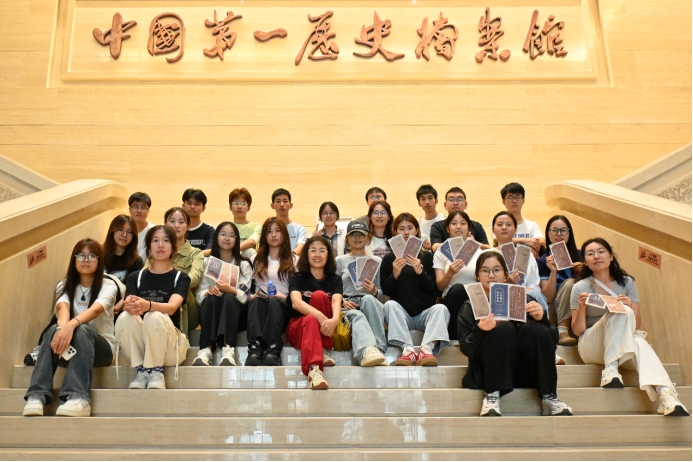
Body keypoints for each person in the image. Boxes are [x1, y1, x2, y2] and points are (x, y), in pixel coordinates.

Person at [570, 238, 689, 416]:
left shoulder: (626, 283)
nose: (596, 256)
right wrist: (581, 307)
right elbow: (578, 331)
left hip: (622, 344)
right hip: (592, 346)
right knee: (623, 316)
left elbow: (637, 323)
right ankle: (610, 368)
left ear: (611, 256)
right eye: (590, 253)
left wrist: (630, 307)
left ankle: (666, 394)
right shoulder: (580, 287)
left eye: (601, 252)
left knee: (638, 339)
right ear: (585, 261)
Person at [457, 251, 572, 417]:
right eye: (485, 271)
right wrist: (480, 331)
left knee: (536, 328)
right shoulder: (470, 306)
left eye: (496, 270)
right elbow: (466, 349)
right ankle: (492, 395)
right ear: (478, 276)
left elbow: (552, 340)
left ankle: (549, 396)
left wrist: (542, 319)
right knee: (503, 327)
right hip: (489, 372)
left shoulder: (523, 299)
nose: (491, 275)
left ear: (505, 275)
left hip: (523, 370)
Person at [23, 239, 117, 417]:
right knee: (53, 330)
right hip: (68, 351)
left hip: (102, 351)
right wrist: (61, 329)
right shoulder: (64, 284)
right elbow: (63, 309)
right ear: (74, 260)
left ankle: (78, 397)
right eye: (81, 255)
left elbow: (95, 310)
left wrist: (71, 325)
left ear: (99, 261)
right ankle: (36, 395)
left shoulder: (108, 285)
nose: (86, 260)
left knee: (82, 329)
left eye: (92, 256)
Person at [116, 225, 191, 390]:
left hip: (170, 349)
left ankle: (157, 372)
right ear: (149, 247)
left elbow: (171, 307)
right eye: (155, 241)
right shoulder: (135, 277)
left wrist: (148, 305)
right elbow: (129, 303)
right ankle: (141, 371)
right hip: (142, 346)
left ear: (173, 247)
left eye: (166, 241)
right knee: (125, 317)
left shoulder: (181, 277)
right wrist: (128, 305)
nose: (160, 245)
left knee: (154, 315)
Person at [381, 213, 449, 367]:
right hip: (402, 315)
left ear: (417, 230)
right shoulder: (389, 259)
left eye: (410, 228)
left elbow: (434, 289)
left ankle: (426, 349)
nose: (406, 232)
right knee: (389, 305)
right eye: (401, 228)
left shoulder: (427, 257)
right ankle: (408, 350)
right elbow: (387, 290)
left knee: (441, 309)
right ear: (395, 232)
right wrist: (395, 274)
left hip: (424, 314)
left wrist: (420, 272)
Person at [192, 222, 253, 366]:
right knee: (211, 298)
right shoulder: (207, 262)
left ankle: (228, 349)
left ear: (237, 240)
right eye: (223, 234)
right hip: (212, 310)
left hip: (236, 315)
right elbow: (199, 294)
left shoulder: (244, 264)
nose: (227, 238)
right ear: (216, 237)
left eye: (231, 235)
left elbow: (244, 297)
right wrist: (208, 292)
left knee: (228, 297)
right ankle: (205, 350)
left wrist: (231, 290)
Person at [287, 236, 343, 390]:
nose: (317, 254)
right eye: (313, 250)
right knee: (311, 319)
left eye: (322, 250)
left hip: (326, 331)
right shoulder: (296, 277)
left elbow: (336, 302)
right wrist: (320, 316)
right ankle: (314, 370)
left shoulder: (335, 279)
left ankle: (323, 350)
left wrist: (335, 320)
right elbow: (296, 303)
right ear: (306, 254)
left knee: (319, 296)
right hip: (298, 329)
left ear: (328, 255)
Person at [335, 221, 388, 367]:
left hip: (369, 302)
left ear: (368, 238)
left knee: (369, 299)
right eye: (353, 235)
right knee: (357, 312)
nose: (357, 238)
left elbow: (382, 293)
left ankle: (379, 350)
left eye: (361, 235)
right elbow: (332, 289)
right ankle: (367, 352)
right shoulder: (339, 261)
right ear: (347, 239)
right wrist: (342, 301)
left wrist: (374, 291)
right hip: (347, 303)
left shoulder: (377, 261)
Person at [247, 217, 298, 366]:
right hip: (261, 304)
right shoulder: (255, 259)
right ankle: (255, 348)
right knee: (256, 301)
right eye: (269, 231)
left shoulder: (294, 260)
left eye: (277, 231)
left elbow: (299, 290)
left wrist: (283, 297)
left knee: (274, 301)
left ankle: (273, 348)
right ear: (264, 235)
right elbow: (245, 286)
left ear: (284, 234)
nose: (273, 235)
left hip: (283, 305)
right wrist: (252, 296)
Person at [146, 207, 204, 334]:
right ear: (165, 224)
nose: (176, 225)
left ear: (188, 225)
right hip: (159, 299)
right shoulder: (156, 252)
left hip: (188, 309)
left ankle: (181, 338)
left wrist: (169, 284)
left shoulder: (196, 253)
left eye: (181, 222)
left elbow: (194, 278)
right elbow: (143, 276)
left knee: (182, 290)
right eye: (172, 221)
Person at [433, 211, 483, 340]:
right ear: (448, 228)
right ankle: (455, 338)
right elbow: (440, 286)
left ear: (469, 228)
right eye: (454, 223)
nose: (459, 227)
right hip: (452, 298)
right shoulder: (441, 252)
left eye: (463, 223)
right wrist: (450, 272)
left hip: (474, 298)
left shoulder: (479, 251)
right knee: (459, 289)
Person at [538, 215, 582, 346]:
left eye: (563, 230)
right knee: (569, 283)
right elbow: (548, 298)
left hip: (579, 308)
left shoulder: (581, 256)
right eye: (554, 230)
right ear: (548, 233)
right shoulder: (543, 261)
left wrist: (583, 273)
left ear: (569, 233)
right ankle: (562, 332)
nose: (559, 234)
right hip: (554, 310)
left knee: (573, 283)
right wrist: (553, 271)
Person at [103, 214, 144, 315]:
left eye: (129, 232)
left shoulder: (137, 261)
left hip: (120, 309)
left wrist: (118, 307)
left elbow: (133, 289)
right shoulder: (98, 254)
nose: (124, 235)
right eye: (120, 230)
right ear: (112, 231)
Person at [430, 187, 489, 252]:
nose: (455, 203)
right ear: (445, 205)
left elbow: (488, 248)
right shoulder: (437, 226)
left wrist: (473, 243)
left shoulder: (476, 226)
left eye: (459, 199)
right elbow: (435, 248)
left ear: (465, 204)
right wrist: (461, 242)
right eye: (451, 199)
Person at [500, 182, 545, 257]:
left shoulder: (532, 225)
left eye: (518, 197)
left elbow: (542, 241)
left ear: (523, 200)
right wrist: (525, 241)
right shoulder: (499, 223)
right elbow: (498, 241)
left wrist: (533, 246)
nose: (514, 201)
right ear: (504, 201)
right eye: (510, 197)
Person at [271, 188, 306, 255]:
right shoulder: (268, 228)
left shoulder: (300, 229)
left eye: (285, 201)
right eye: (278, 201)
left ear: (290, 205)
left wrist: (290, 258)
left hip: (293, 259)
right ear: (272, 206)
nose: (282, 204)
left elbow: (300, 247)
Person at [182, 189, 215, 257]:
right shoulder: (177, 228)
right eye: (189, 203)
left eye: (197, 204)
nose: (192, 206)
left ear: (203, 208)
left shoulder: (210, 230)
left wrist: (188, 256)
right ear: (183, 206)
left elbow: (210, 251)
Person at [229, 188, 261, 258]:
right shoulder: (225, 227)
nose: (239, 207)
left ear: (248, 208)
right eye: (235, 203)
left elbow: (252, 242)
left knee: (249, 251)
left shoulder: (256, 227)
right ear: (230, 207)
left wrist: (232, 250)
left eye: (243, 203)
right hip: (229, 260)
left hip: (247, 260)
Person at [416, 184, 445, 251]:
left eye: (430, 198)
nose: (427, 202)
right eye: (423, 199)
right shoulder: (417, 223)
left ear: (436, 201)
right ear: (419, 203)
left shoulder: (445, 219)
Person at [128, 192, 154, 261]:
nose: (139, 211)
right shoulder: (123, 230)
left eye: (143, 207)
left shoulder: (154, 231)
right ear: (129, 210)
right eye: (135, 207)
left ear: (148, 211)